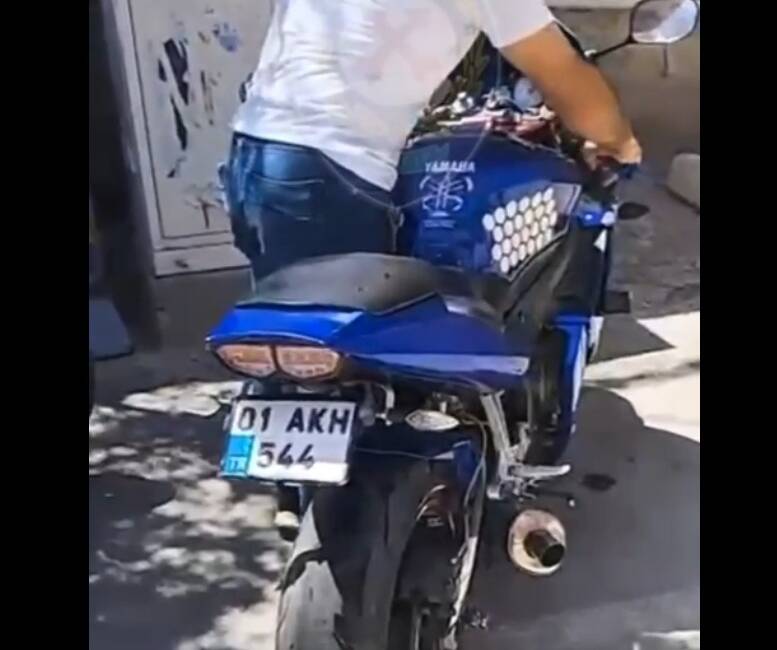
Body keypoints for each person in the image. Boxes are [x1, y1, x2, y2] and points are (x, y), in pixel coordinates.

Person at [219, 0, 642, 533]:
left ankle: (295, 493)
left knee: (299, 334)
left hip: (254, 158)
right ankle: (367, 520)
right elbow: (563, 76)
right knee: (366, 358)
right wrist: (620, 141)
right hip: (332, 173)